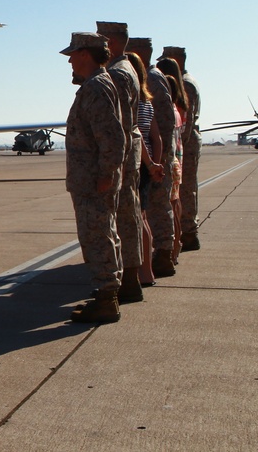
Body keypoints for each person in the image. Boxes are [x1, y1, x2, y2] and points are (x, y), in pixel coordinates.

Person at [61, 32, 126, 324]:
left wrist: (105, 175)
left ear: (85, 54)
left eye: (73, 55)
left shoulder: (96, 88)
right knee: (102, 235)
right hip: (90, 179)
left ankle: (106, 298)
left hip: (93, 181)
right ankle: (106, 295)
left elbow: (112, 137)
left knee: (97, 236)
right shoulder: (95, 85)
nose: (71, 61)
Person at [96, 21, 143, 304]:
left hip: (121, 157)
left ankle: (127, 283)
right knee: (130, 216)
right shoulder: (127, 70)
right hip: (129, 153)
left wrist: (109, 165)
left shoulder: (116, 73)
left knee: (124, 219)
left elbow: (117, 125)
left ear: (111, 42)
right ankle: (129, 281)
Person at [127, 37, 177, 278]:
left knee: (150, 211)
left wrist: (157, 162)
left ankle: (161, 257)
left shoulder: (150, 82)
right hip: (152, 161)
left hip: (146, 162)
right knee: (151, 211)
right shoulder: (147, 95)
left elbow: (152, 131)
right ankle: (159, 258)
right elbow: (156, 133)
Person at [127, 51, 164, 286]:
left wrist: (149, 164)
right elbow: (156, 137)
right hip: (147, 164)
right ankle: (147, 271)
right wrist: (155, 165)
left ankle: (143, 273)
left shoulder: (132, 102)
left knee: (137, 220)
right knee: (144, 218)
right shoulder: (148, 103)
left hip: (138, 163)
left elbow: (137, 134)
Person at [162, 46, 201, 251]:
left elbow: (187, 119)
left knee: (184, 190)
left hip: (184, 141)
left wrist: (178, 149)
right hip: (183, 140)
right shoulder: (185, 81)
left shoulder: (185, 84)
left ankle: (188, 232)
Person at [157, 58, 188, 262]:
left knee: (168, 206)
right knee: (175, 204)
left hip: (171, 160)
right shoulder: (181, 107)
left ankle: (173, 246)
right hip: (179, 158)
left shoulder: (170, 108)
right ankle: (178, 243)